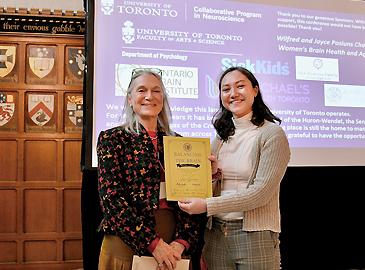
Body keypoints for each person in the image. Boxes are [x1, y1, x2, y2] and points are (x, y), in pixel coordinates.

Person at [178, 66, 290, 270]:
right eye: (226, 89)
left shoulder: (272, 134)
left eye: (240, 86)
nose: (233, 94)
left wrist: (207, 205)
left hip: (255, 236)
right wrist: (211, 176)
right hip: (216, 235)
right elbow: (211, 187)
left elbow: (260, 194)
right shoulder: (220, 138)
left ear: (255, 90)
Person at [97, 68, 204, 270]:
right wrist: (153, 243)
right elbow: (111, 199)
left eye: (156, 91)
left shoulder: (178, 143)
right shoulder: (112, 139)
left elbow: (192, 196)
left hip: (174, 245)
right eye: (141, 90)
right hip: (126, 242)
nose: (149, 96)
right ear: (130, 99)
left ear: (163, 98)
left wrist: (181, 242)